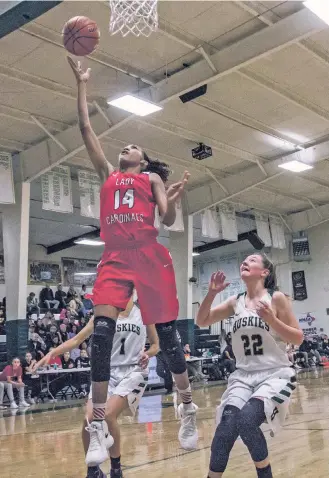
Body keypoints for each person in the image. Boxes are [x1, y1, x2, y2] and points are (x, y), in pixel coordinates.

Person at [68, 56, 198, 464]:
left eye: (133, 146)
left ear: (141, 161)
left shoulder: (151, 178)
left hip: (147, 253)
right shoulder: (108, 173)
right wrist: (82, 82)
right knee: (102, 334)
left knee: (169, 336)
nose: (126, 146)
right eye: (124, 145)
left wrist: (173, 201)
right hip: (114, 257)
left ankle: (187, 404)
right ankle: (96, 428)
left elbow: (168, 219)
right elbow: (86, 127)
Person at [197, 253, 303, 478]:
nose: (245, 262)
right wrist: (211, 294)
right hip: (244, 375)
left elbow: (298, 338)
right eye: (244, 260)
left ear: (264, 272)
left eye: (252, 260)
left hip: (276, 374)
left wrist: (273, 321)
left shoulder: (276, 299)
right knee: (226, 427)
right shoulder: (235, 301)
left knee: (246, 420)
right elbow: (202, 320)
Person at [33, 297, 159, 478]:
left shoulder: (144, 313)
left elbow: (155, 345)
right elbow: (77, 340)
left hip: (133, 372)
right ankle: (93, 471)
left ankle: (116, 469)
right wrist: (52, 353)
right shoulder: (103, 314)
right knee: (88, 420)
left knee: (107, 414)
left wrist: (147, 354)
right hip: (105, 373)